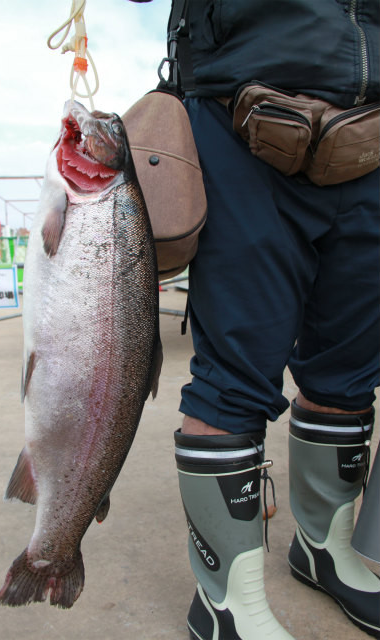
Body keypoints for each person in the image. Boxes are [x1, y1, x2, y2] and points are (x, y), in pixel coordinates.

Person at [131, 2, 380, 639]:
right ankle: (227, 606)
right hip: (242, 116)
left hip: (373, 134)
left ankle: (325, 549)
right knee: (236, 377)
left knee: (350, 373)